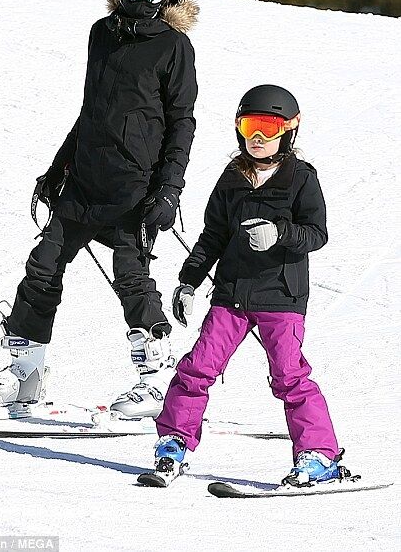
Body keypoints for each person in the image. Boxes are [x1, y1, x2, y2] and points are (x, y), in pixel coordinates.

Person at [0, 0, 199, 421]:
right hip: (84, 181)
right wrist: (59, 166)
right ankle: (26, 369)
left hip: (134, 188)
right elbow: (91, 112)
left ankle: (154, 381)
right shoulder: (101, 35)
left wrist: (169, 190)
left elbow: (182, 122)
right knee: (43, 265)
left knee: (132, 279)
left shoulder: (175, 47)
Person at [143, 84, 342, 487]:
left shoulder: (301, 178)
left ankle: (319, 456)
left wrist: (280, 232)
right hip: (231, 295)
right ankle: (174, 444)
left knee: (289, 376)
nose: (258, 136)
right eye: (250, 125)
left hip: (281, 295)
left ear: (289, 129)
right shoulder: (232, 178)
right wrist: (188, 281)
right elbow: (212, 234)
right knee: (197, 369)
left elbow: (316, 233)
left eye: (269, 126)